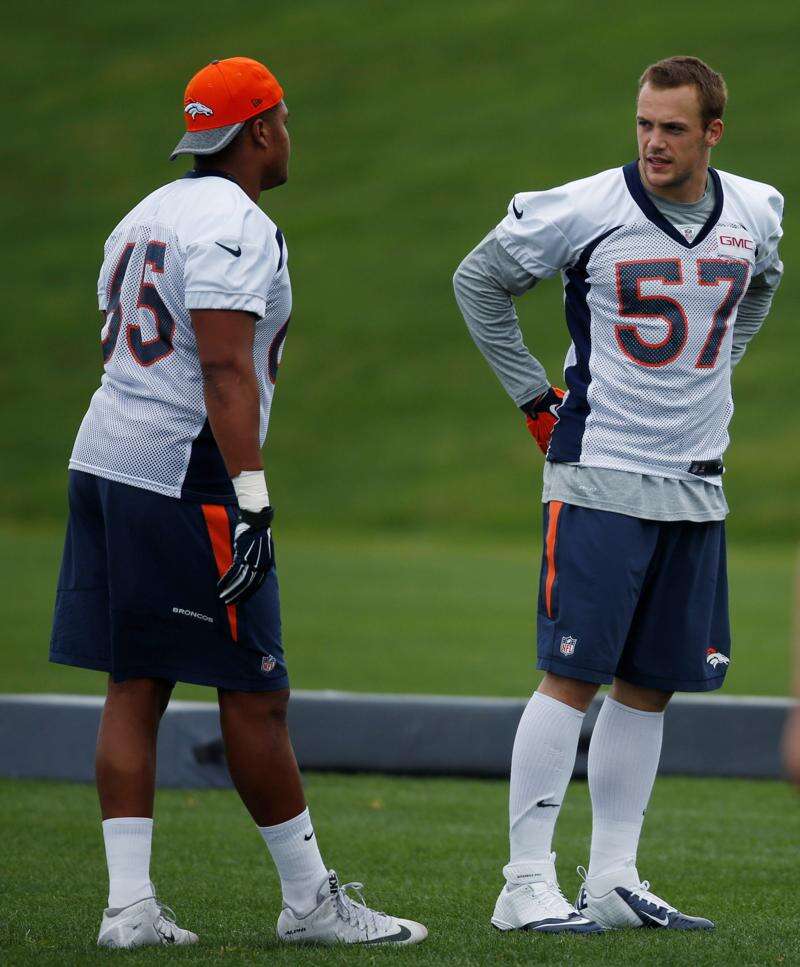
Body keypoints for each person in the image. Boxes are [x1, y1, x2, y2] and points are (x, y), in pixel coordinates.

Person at [49, 56, 426, 949]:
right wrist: (251, 496)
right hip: (185, 474)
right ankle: (308, 902)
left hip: (103, 458)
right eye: (283, 120)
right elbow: (221, 365)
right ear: (259, 130)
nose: (289, 135)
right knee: (256, 691)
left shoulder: (143, 212)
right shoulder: (235, 223)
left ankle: (128, 906)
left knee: (134, 683)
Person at [453, 55, 783, 933]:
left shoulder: (754, 208)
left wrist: (715, 367)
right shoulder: (586, 207)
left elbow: (762, 283)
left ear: (714, 131)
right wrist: (533, 397)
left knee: (650, 685)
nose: (653, 143)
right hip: (599, 468)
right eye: (644, 123)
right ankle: (523, 880)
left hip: (695, 481)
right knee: (570, 675)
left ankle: (612, 877)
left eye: (674, 128)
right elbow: (478, 280)